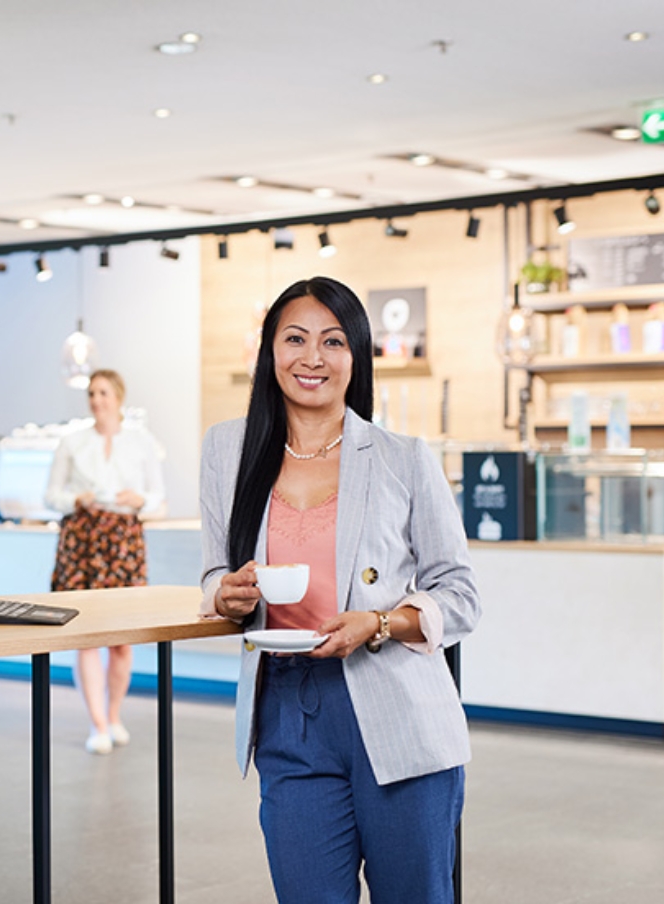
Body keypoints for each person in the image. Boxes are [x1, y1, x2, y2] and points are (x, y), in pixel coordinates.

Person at [198, 277, 480, 903]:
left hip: (396, 708)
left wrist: (379, 623)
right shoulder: (227, 450)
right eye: (294, 339)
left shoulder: (402, 457)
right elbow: (213, 572)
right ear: (269, 351)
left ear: (357, 356)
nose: (313, 358)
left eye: (333, 341)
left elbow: (459, 593)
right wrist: (226, 594)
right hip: (286, 712)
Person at [45, 369, 165, 755]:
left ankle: (113, 715)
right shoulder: (71, 442)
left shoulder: (142, 443)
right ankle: (97, 723)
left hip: (123, 542)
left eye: (104, 393)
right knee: (86, 637)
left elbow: (159, 499)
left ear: (119, 397)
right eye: (92, 393)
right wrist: (75, 499)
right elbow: (51, 495)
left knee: (122, 642)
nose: (97, 400)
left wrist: (140, 500)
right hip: (82, 540)